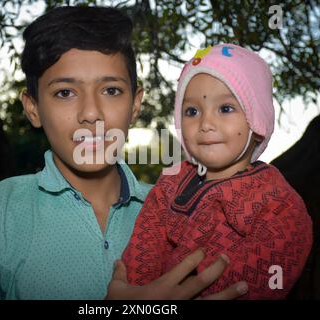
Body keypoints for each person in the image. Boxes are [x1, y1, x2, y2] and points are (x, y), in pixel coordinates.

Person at [0, 7, 247, 300]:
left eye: (111, 90)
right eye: (65, 92)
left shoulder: (187, 214)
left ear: (135, 104)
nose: (91, 113)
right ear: (33, 108)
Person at [122, 44, 313, 299]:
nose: (205, 123)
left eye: (225, 109)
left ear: (256, 122)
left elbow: (267, 273)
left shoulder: (277, 203)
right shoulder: (170, 182)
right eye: (192, 112)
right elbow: (143, 247)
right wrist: (137, 292)